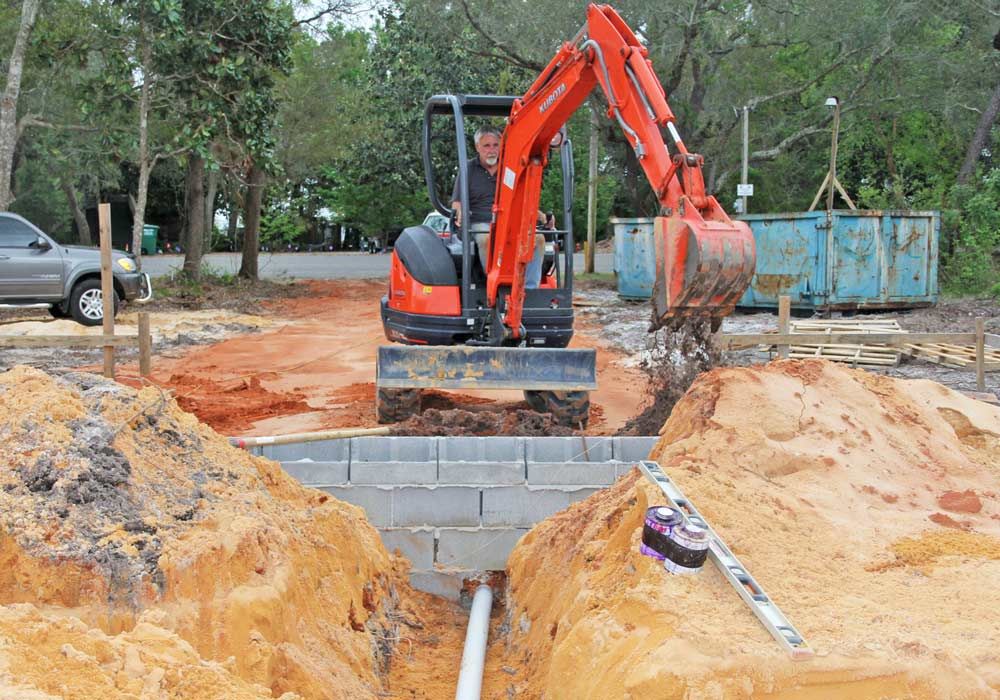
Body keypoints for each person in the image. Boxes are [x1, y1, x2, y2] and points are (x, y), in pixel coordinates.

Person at [451, 126, 551, 288]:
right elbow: (457, 202)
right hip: (480, 221)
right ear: (477, 147)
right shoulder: (468, 169)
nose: (491, 150)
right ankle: (494, 284)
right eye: (486, 146)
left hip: (509, 220)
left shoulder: (509, 169)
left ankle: (529, 288)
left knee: (538, 238)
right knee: (486, 239)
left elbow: (522, 197)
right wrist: (458, 212)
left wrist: (540, 215)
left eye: (495, 145)